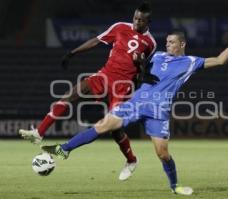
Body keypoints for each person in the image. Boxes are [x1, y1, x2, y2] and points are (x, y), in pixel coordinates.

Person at [42, 21, 228, 195]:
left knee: (162, 153)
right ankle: (64, 149)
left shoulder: (190, 62)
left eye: (172, 42)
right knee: (103, 125)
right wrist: (137, 63)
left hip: (159, 112)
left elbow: (221, 60)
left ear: (182, 44)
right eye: (167, 41)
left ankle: (174, 186)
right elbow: (138, 67)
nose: (167, 44)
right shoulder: (157, 55)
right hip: (136, 104)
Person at [19, 2, 157, 181]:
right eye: (135, 18)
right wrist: (73, 52)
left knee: (114, 129)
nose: (136, 22)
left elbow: (144, 72)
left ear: (148, 22)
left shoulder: (151, 43)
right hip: (105, 76)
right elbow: (96, 40)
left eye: (141, 20)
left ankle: (131, 161)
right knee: (72, 93)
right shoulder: (120, 27)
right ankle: (39, 133)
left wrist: (141, 63)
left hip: (123, 87)